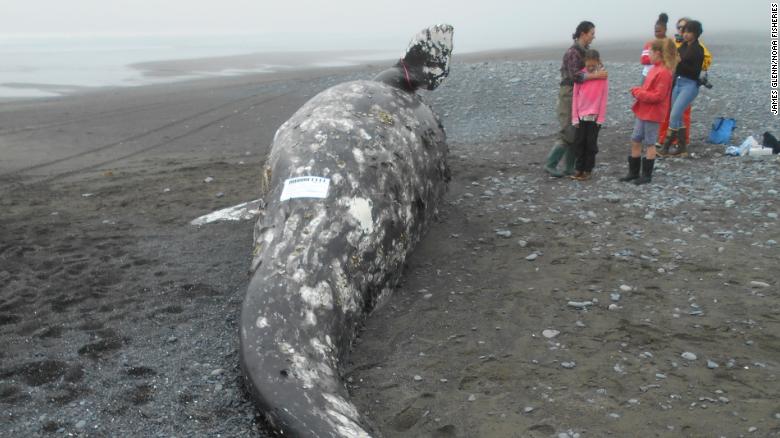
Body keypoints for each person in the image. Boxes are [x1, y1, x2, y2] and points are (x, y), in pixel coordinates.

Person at [544, 21, 608, 178]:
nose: (594, 36)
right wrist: (595, 76)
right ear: (583, 33)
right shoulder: (573, 52)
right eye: (592, 33)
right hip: (569, 93)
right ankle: (550, 164)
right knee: (568, 131)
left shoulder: (585, 51)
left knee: (576, 131)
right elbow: (575, 75)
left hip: (580, 96)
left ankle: (569, 167)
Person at [620, 38, 677, 185]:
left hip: (653, 112)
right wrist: (639, 91)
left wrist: (638, 93)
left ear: (657, 53)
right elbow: (650, 91)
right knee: (636, 138)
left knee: (650, 143)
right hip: (644, 110)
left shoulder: (663, 72)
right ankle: (633, 172)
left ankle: (646, 175)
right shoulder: (655, 69)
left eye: (650, 52)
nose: (648, 56)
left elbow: (658, 96)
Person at [657, 17, 712, 155]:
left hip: (690, 84)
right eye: (684, 31)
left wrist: (679, 62)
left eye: (689, 32)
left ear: (696, 33)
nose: (685, 34)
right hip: (679, 82)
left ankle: (666, 146)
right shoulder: (683, 46)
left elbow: (694, 72)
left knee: (675, 114)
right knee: (677, 115)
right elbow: (675, 63)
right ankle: (681, 148)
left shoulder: (698, 50)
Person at [570, 49, 608, 181]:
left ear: (597, 62)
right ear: (585, 62)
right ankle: (578, 169)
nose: (590, 67)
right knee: (579, 143)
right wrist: (574, 117)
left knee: (591, 144)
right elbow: (575, 96)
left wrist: (601, 118)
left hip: (595, 117)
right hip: (581, 116)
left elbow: (604, 98)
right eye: (588, 65)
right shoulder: (580, 76)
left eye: (593, 65)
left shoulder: (603, 77)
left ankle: (588, 170)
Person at [640, 13, 669, 83]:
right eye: (656, 31)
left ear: (665, 30)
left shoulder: (669, 44)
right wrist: (660, 59)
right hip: (647, 74)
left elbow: (671, 60)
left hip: (662, 75)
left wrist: (655, 58)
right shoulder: (650, 44)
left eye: (659, 31)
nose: (657, 33)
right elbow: (643, 60)